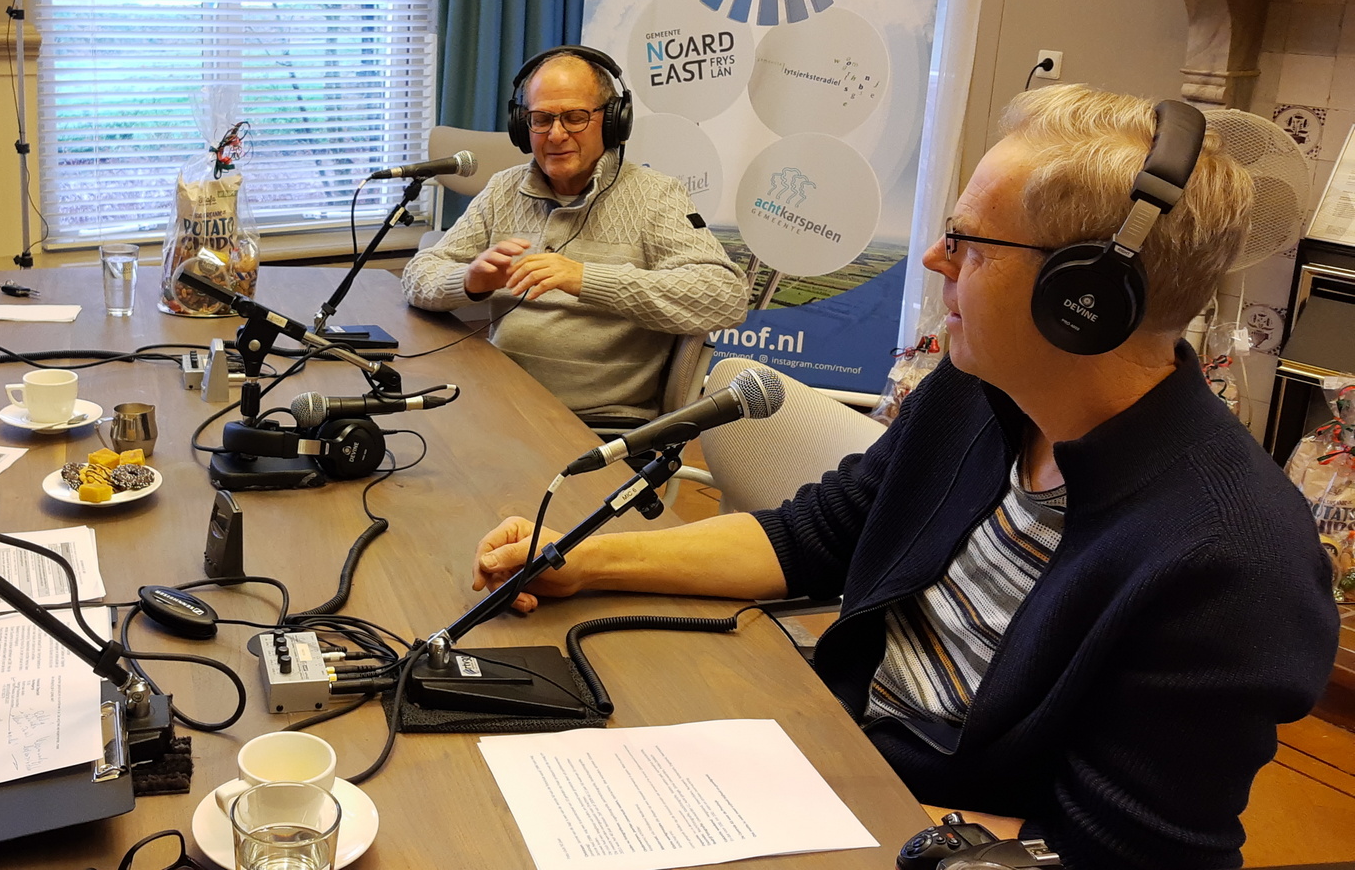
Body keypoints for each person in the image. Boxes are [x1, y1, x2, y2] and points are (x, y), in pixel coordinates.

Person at [469, 84, 1340, 869]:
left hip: (927, 831)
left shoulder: (1234, 561)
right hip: (830, 751)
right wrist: (582, 560)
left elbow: (1116, 851)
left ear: (1082, 297)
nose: (933, 258)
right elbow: (816, 535)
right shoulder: (979, 394)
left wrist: (807, 808)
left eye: (968, 240)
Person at [402, 46, 747, 423]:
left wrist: (585, 278)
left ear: (613, 121)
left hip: (596, 423)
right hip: (498, 399)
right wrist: (468, 282)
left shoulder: (655, 196)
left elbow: (725, 297)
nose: (556, 134)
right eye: (541, 119)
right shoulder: (504, 189)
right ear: (522, 126)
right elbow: (418, 275)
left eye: (575, 117)